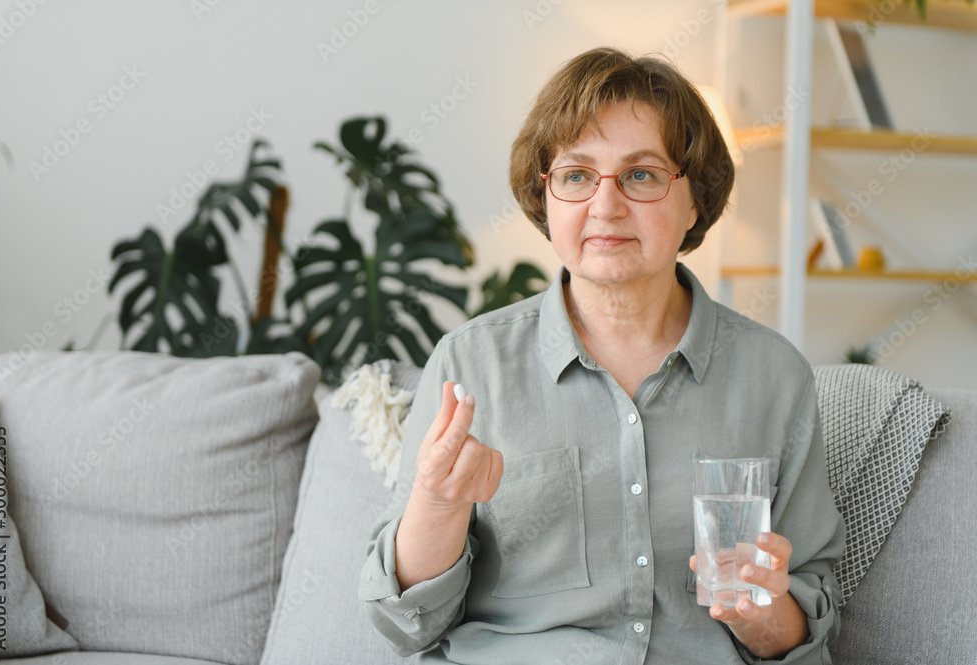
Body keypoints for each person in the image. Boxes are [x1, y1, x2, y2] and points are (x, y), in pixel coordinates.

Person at [360, 47, 845, 664]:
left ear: (695, 199)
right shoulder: (469, 365)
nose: (606, 205)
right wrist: (438, 504)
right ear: (548, 198)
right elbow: (406, 628)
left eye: (641, 174)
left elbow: (809, 624)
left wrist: (763, 612)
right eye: (577, 175)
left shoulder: (774, 377)